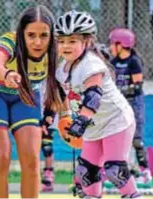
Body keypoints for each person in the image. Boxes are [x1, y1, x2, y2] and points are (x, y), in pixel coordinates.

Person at [0, 5, 63, 198]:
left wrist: (56, 114)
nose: (38, 42)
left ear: (51, 35)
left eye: (44, 35)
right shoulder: (10, 40)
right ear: (22, 33)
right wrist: (6, 73)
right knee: (1, 154)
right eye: (31, 35)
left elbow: (58, 87)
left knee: (32, 159)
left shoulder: (56, 50)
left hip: (24, 93)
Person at [53, 10, 141, 198]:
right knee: (86, 171)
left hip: (115, 121)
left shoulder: (91, 64)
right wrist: (61, 117)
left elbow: (93, 96)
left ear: (86, 42)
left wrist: (82, 120)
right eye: (61, 41)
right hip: (94, 126)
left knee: (114, 169)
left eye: (72, 41)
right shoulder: (62, 70)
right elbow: (64, 95)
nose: (65, 46)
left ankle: (134, 195)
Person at [109, 28, 153, 193]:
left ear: (121, 45)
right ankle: (123, 173)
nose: (111, 47)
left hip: (134, 103)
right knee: (118, 139)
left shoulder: (134, 61)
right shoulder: (113, 62)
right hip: (119, 105)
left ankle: (145, 172)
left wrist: (119, 91)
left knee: (136, 140)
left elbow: (137, 86)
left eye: (113, 44)